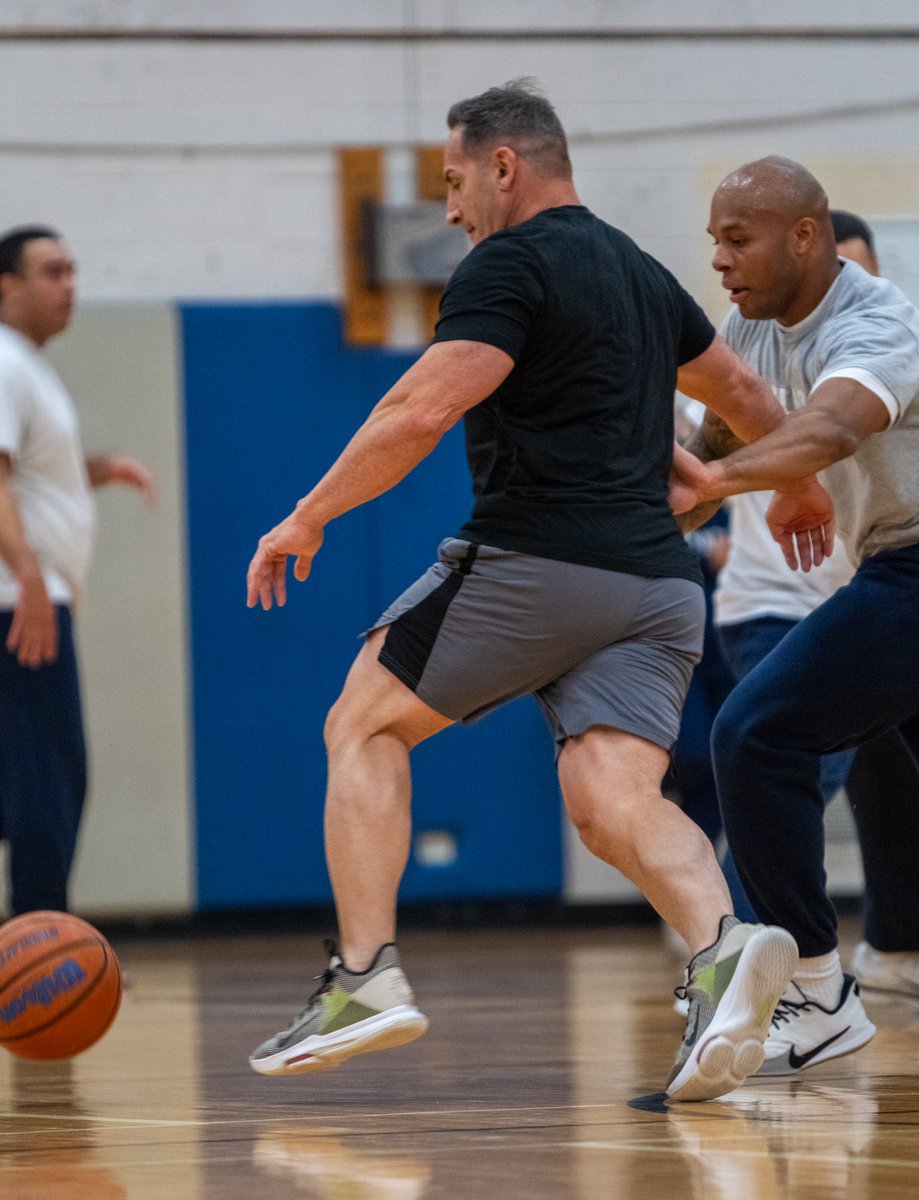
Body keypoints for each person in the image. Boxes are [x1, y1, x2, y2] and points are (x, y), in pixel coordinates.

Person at [244, 83, 833, 1102]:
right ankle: (725, 947)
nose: (451, 207)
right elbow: (743, 394)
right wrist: (797, 486)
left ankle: (364, 976)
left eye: (455, 180)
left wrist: (309, 514)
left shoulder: (506, 264)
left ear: (504, 166)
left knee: (362, 724)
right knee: (612, 802)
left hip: (537, 564)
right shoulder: (642, 272)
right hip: (657, 583)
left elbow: (420, 406)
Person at [670, 156, 919, 1077]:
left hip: (912, 568)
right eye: (715, 245)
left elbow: (830, 429)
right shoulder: (749, 329)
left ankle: (814, 992)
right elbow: (698, 464)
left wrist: (747, 479)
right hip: (894, 566)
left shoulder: (877, 320)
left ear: (805, 236)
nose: (722, 263)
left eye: (739, 241)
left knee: (757, 733)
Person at [0, 225, 155, 917]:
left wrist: (100, 468)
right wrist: (29, 581)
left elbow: (35, 478)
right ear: (8, 286)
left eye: (72, 271)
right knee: (47, 786)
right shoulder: (4, 362)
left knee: (36, 782)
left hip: (27, 597)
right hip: (22, 604)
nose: (69, 285)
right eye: (52, 271)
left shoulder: (27, 365)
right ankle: (40, 947)